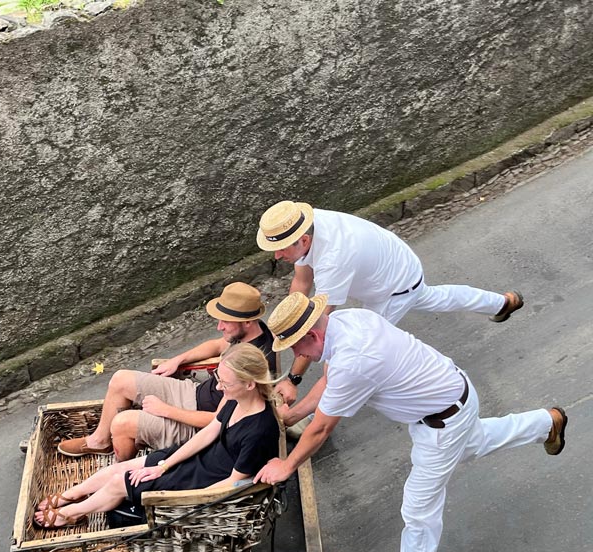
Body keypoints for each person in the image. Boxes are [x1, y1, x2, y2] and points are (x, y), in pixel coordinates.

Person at [255, 292, 568, 552]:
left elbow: (321, 428)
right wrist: (294, 414)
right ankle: (546, 423)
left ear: (310, 334)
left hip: (441, 424)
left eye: (295, 345)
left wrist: (286, 465)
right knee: (475, 442)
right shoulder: (345, 319)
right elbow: (328, 383)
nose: (299, 354)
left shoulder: (354, 360)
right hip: (453, 392)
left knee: (418, 510)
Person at [257, 200, 524, 404]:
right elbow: (301, 284)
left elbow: (315, 330)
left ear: (303, 240)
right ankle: (502, 303)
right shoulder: (301, 224)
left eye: (281, 250)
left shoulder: (333, 257)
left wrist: (293, 379)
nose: (278, 256)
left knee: (346, 352)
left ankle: (319, 410)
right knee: (432, 297)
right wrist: (283, 331)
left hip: (391, 290)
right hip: (397, 262)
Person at [35, 343, 282, 528]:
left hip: (204, 478)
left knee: (120, 482)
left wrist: (183, 501)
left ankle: (73, 513)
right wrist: (164, 465)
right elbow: (207, 434)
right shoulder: (235, 399)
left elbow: (231, 483)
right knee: (121, 469)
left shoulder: (259, 430)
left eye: (225, 384)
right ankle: (72, 494)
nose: (218, 388)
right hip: (200, 458)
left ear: (250, 384)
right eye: (219, 379)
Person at [58, 282, 277, 461]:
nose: (219, 326)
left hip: (196, 427)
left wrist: (164, 410)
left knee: (122, 423)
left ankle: (124, 473)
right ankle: (100, 441)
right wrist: (177, 359)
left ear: (248, 321)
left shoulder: (253, 362)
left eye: (225, 322)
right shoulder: (246, 333)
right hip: (193, 393)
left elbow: (215, 420)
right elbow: (217, 345)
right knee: (120, 379)